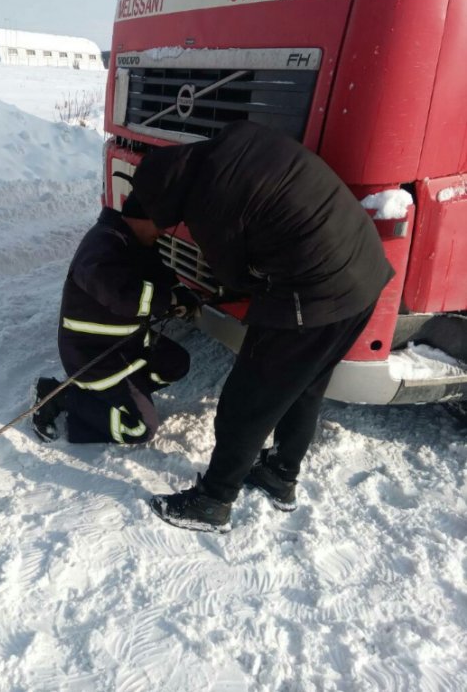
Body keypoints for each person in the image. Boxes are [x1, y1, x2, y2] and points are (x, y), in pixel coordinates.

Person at [131, 120, 395, 532]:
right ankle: (279, 475)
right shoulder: (242, 139)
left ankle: (213, 501)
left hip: (315, 293)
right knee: (304, 386)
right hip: (364, 275)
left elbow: (235, 280)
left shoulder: (208, 204)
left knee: (247, 401)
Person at [33, 190, 201, 445]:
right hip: (92, 355)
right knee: (140, 429)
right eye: (161, 225)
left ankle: (116, 396)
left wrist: (178, 292)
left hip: (126, 343)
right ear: (141, 218)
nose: (164, 232)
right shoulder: (102, 247)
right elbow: (124, 296)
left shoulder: (131, 239)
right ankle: (61, 397)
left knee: (176, 362)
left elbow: (156, 272)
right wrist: (168, 300)